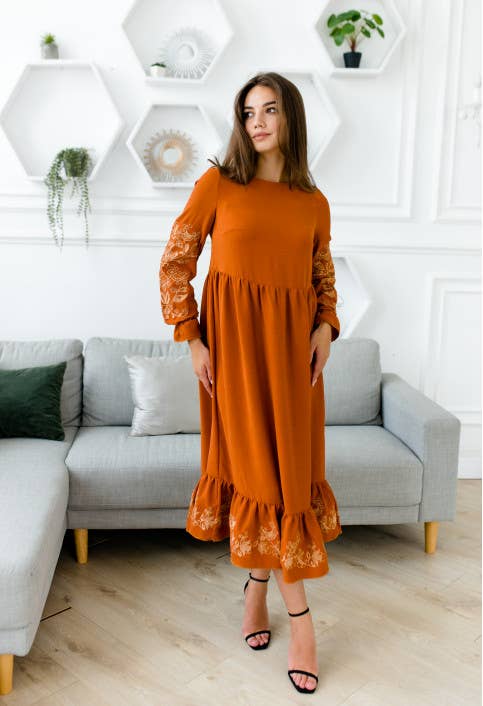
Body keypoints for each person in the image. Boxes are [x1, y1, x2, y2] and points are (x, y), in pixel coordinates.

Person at [159, 71, 342, 696]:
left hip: (294, 365)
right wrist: (192, 338)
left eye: (269, 110)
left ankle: (255, 590)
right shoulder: (218, 184)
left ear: (290, 117)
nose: (256, 122)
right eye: (247, 112)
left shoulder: (313, 202)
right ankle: (304, 625)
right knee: (262, 481)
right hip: (234, 360)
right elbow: (176, 261)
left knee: (288, 481)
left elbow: (322, 275)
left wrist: (326, 327)